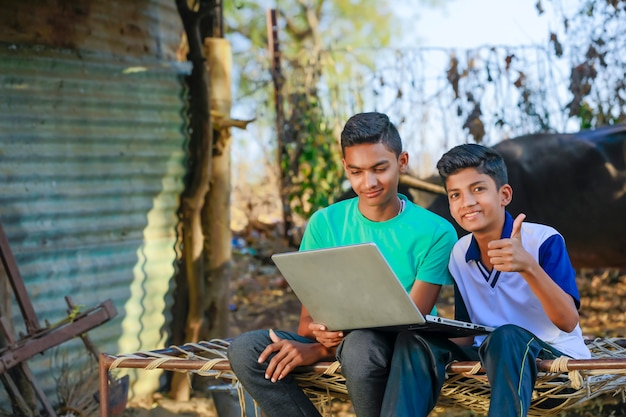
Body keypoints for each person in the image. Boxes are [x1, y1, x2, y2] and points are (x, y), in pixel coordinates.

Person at [227, 112, 458, 417]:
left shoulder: (436, 231)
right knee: (246, 351)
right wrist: (318, 338)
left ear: (402, 162)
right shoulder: (325, 223)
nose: (369, 182)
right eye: (356, 171)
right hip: (341, 343)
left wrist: (321, 349)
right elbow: (307, 324)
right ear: (345, 168)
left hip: (395, 350)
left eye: (380, 168)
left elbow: (411, 323)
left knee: (362, 346)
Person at [433, 143, 590, 417]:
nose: (467, 202)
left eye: (478, 189)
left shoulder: (543, 240)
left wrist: (528, 266)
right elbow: (467, 333)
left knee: (505, 335)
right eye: (455, 194)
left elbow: (568, 321)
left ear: (504, 194)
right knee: (416, 345)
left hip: (555, 364)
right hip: (490, 365)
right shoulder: (459, 253)